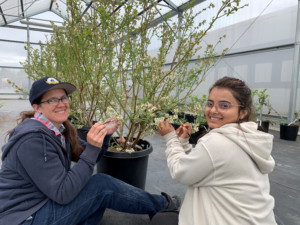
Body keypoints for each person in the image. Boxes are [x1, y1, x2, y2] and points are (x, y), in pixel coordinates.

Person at [0, 77, 181, 225]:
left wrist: (104, 137)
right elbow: (63, 193)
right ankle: (163, 205)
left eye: (64, 98)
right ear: (37, 107)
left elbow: (87, 155)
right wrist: (93, 146)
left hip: (40, 203)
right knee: (101, 186)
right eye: (52, 100)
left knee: (96, 201)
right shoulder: (32, 140)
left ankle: (160, 205)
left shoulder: (58, 130)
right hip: (24, 217)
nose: (61, 104)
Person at [155, 76, 277, 225]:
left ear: (243, 112)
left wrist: (170, 138)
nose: (213, 110)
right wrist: (184, 142)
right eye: (210, 103)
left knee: (161, 220)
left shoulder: (218, 142)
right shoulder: (248, 137)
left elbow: (181, 171)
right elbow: (204, 166)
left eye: (224, 105)